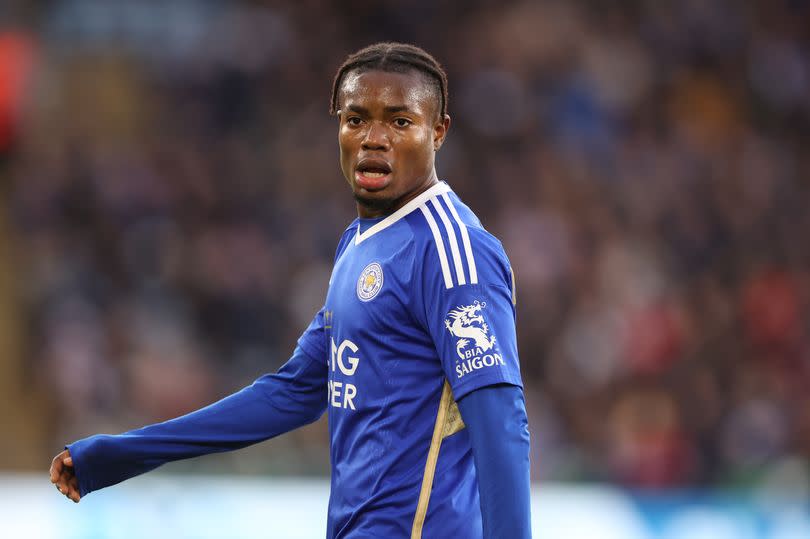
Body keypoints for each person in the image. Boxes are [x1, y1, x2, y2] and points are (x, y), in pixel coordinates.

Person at [49, 42, 532, 539]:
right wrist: (122, 454)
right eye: (356, 119)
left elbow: (500, 422)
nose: (374, 139)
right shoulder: (360, 244)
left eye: (400, 122)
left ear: (439, 131)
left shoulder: (453, 251)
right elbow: (292, 392)